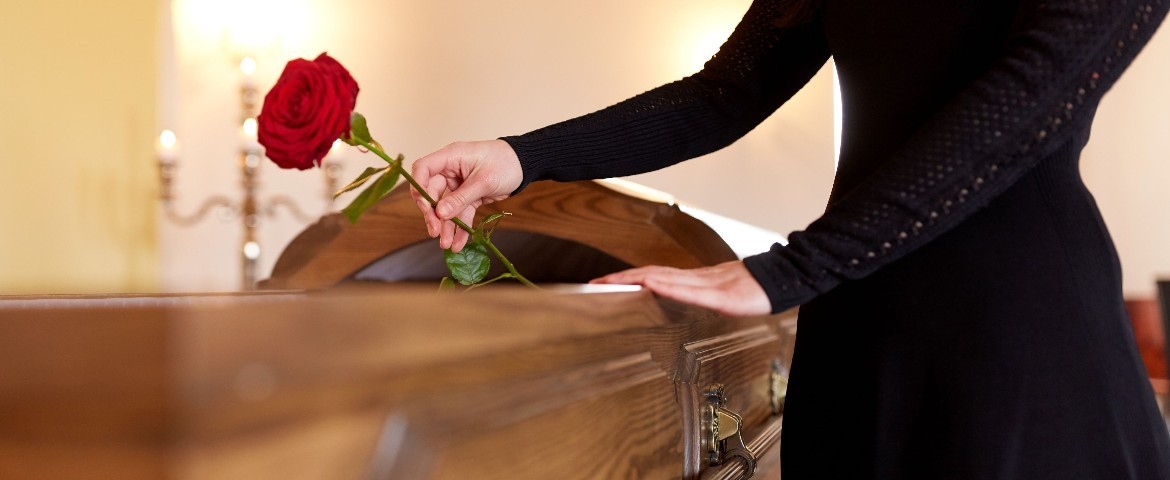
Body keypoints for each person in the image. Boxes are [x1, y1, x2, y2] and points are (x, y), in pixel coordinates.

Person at [410, 0, 1170, 477]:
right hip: (858, 319)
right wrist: (521, 157)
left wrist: (792, 267)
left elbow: (1029, 100)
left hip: (1017, 337)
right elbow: (725, 92)